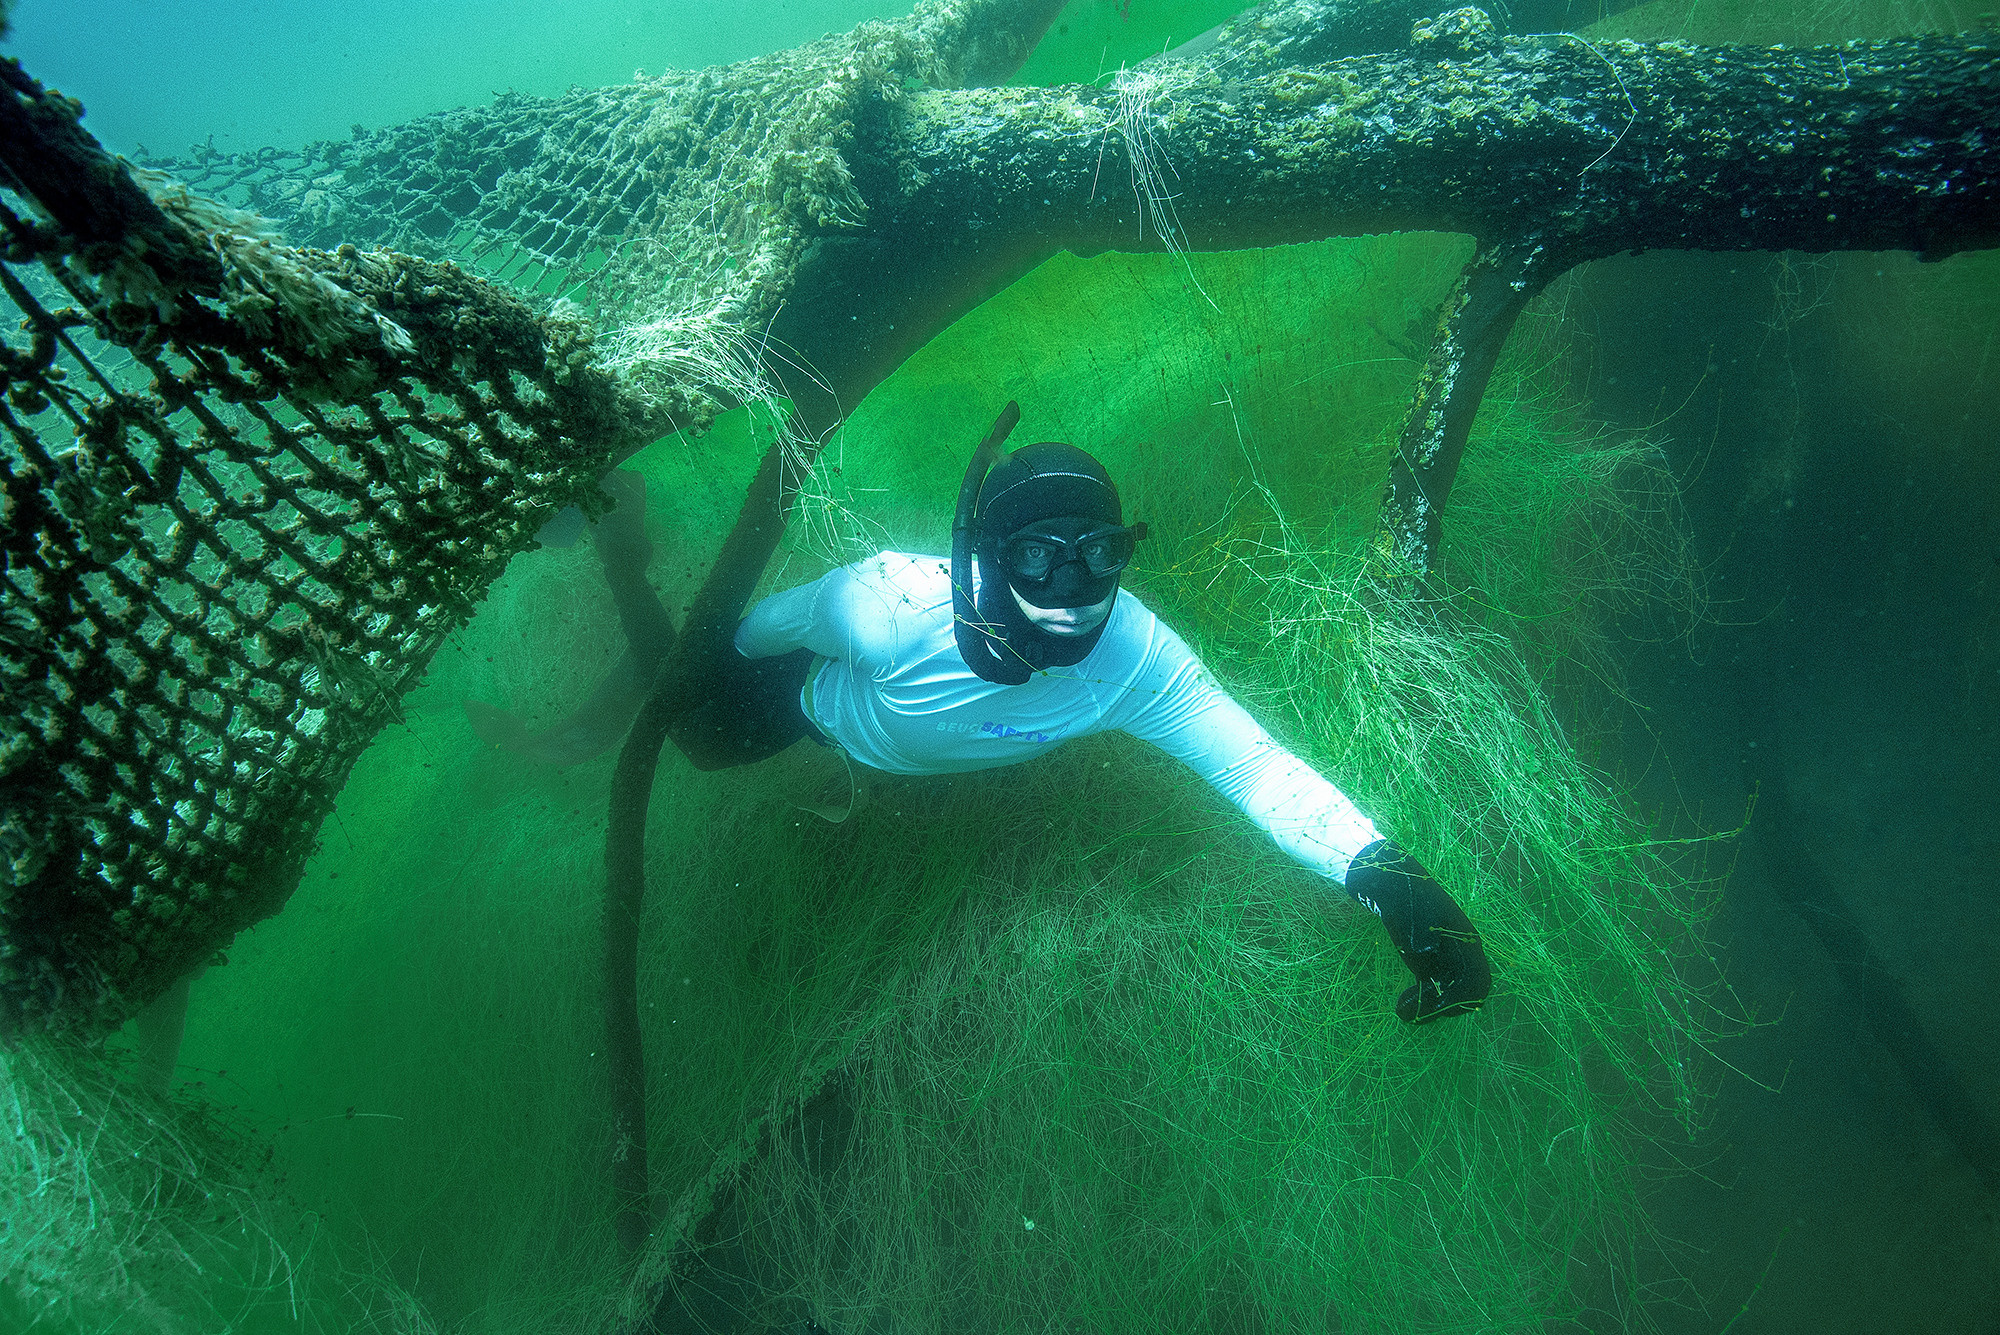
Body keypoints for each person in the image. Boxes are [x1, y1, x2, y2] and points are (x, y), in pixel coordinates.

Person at [668, 404, 1491, 1023]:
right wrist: (701, 669)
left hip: (919, 763)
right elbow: (748, 637)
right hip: (810, 712)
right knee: (697, 739)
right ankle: (636, 579)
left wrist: (1385, 874)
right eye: (1035, 556)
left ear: (1123, 549)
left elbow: (1255, 766)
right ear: (988, 555)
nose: (1071, 590)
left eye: (1100, 554)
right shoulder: (881, 603)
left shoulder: (1136, 657)